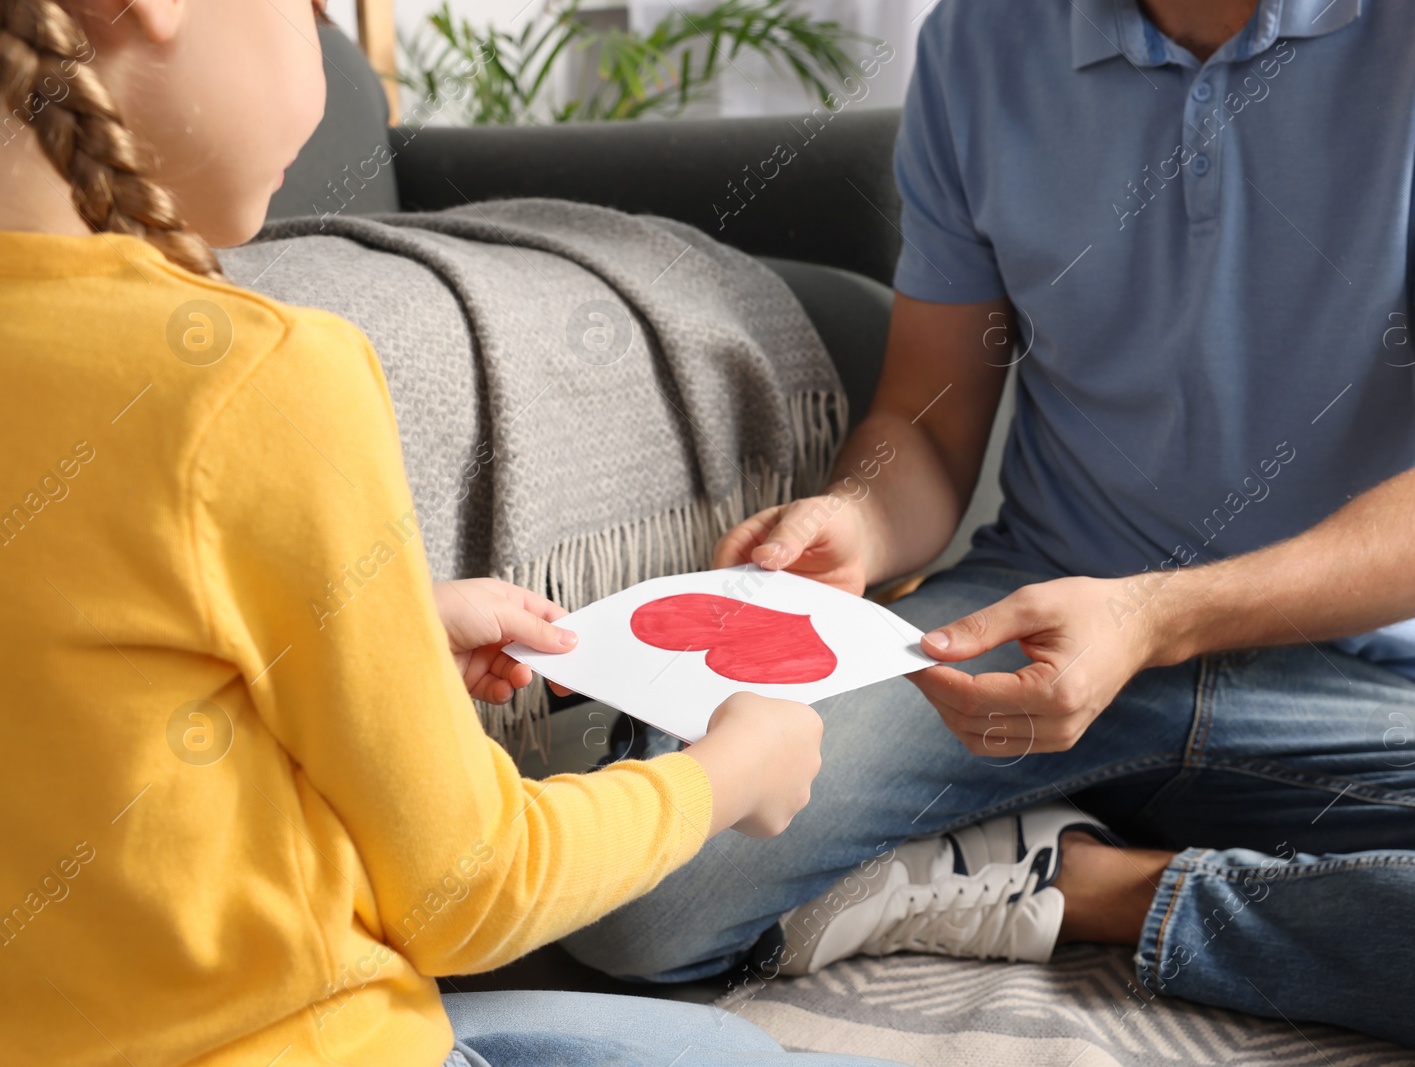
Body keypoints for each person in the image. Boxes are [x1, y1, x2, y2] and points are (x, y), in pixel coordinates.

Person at [562, 0, 1415, 1062]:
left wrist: (1154, 617)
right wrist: (858, 520)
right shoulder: (978, 36)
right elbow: (924, 414)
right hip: (1022, 628)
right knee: (628, 897)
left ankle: (1090, 884)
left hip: (1354, 677)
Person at [0, 3, 908, 1066]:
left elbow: (78, 665)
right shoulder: (260, 378)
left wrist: (389, 622)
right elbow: (467, 889)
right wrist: (728, 773)